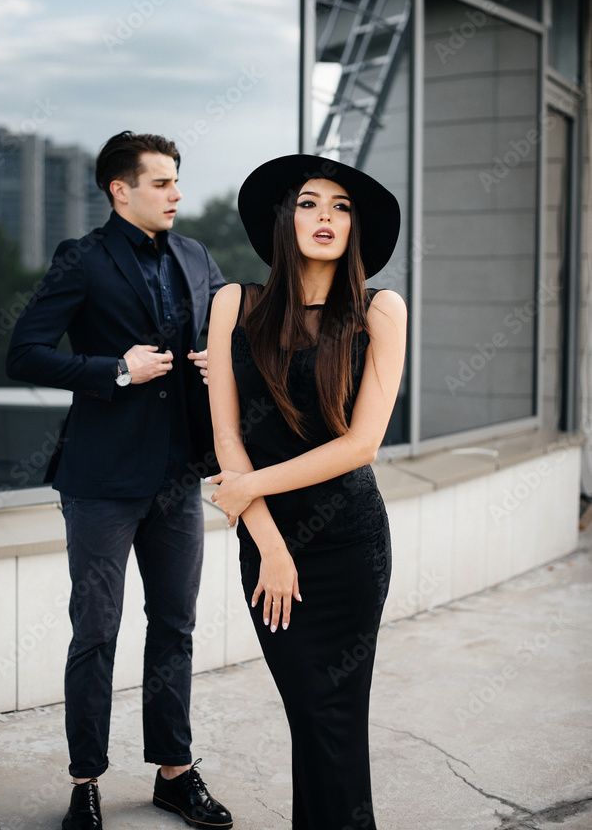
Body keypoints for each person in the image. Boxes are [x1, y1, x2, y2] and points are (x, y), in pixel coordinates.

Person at [6, 131, 232, 830]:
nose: (176, 194)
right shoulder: (83, 258)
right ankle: (86, 781)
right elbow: (25, 354)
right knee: (95, 631)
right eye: (162, 183)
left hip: (178, 478)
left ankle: (175, 773)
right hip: (101, 481)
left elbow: (233, 336)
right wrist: (113, 369)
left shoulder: (197, 257)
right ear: (121, 190)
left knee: (175, 626)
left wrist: (211, 358)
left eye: (176, 181)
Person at [205, 154, 406, 830]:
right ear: (283, 219)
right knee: (308, 712)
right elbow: (227, 438)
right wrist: (270, 545)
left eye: (341, 207)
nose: (325, 217)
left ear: (355, 230)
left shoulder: (380, 311)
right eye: (310, 202)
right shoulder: (235, 303)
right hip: (268, 547)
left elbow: (361, 445)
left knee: (335, 722)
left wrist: (246, 490)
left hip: (350, 545)